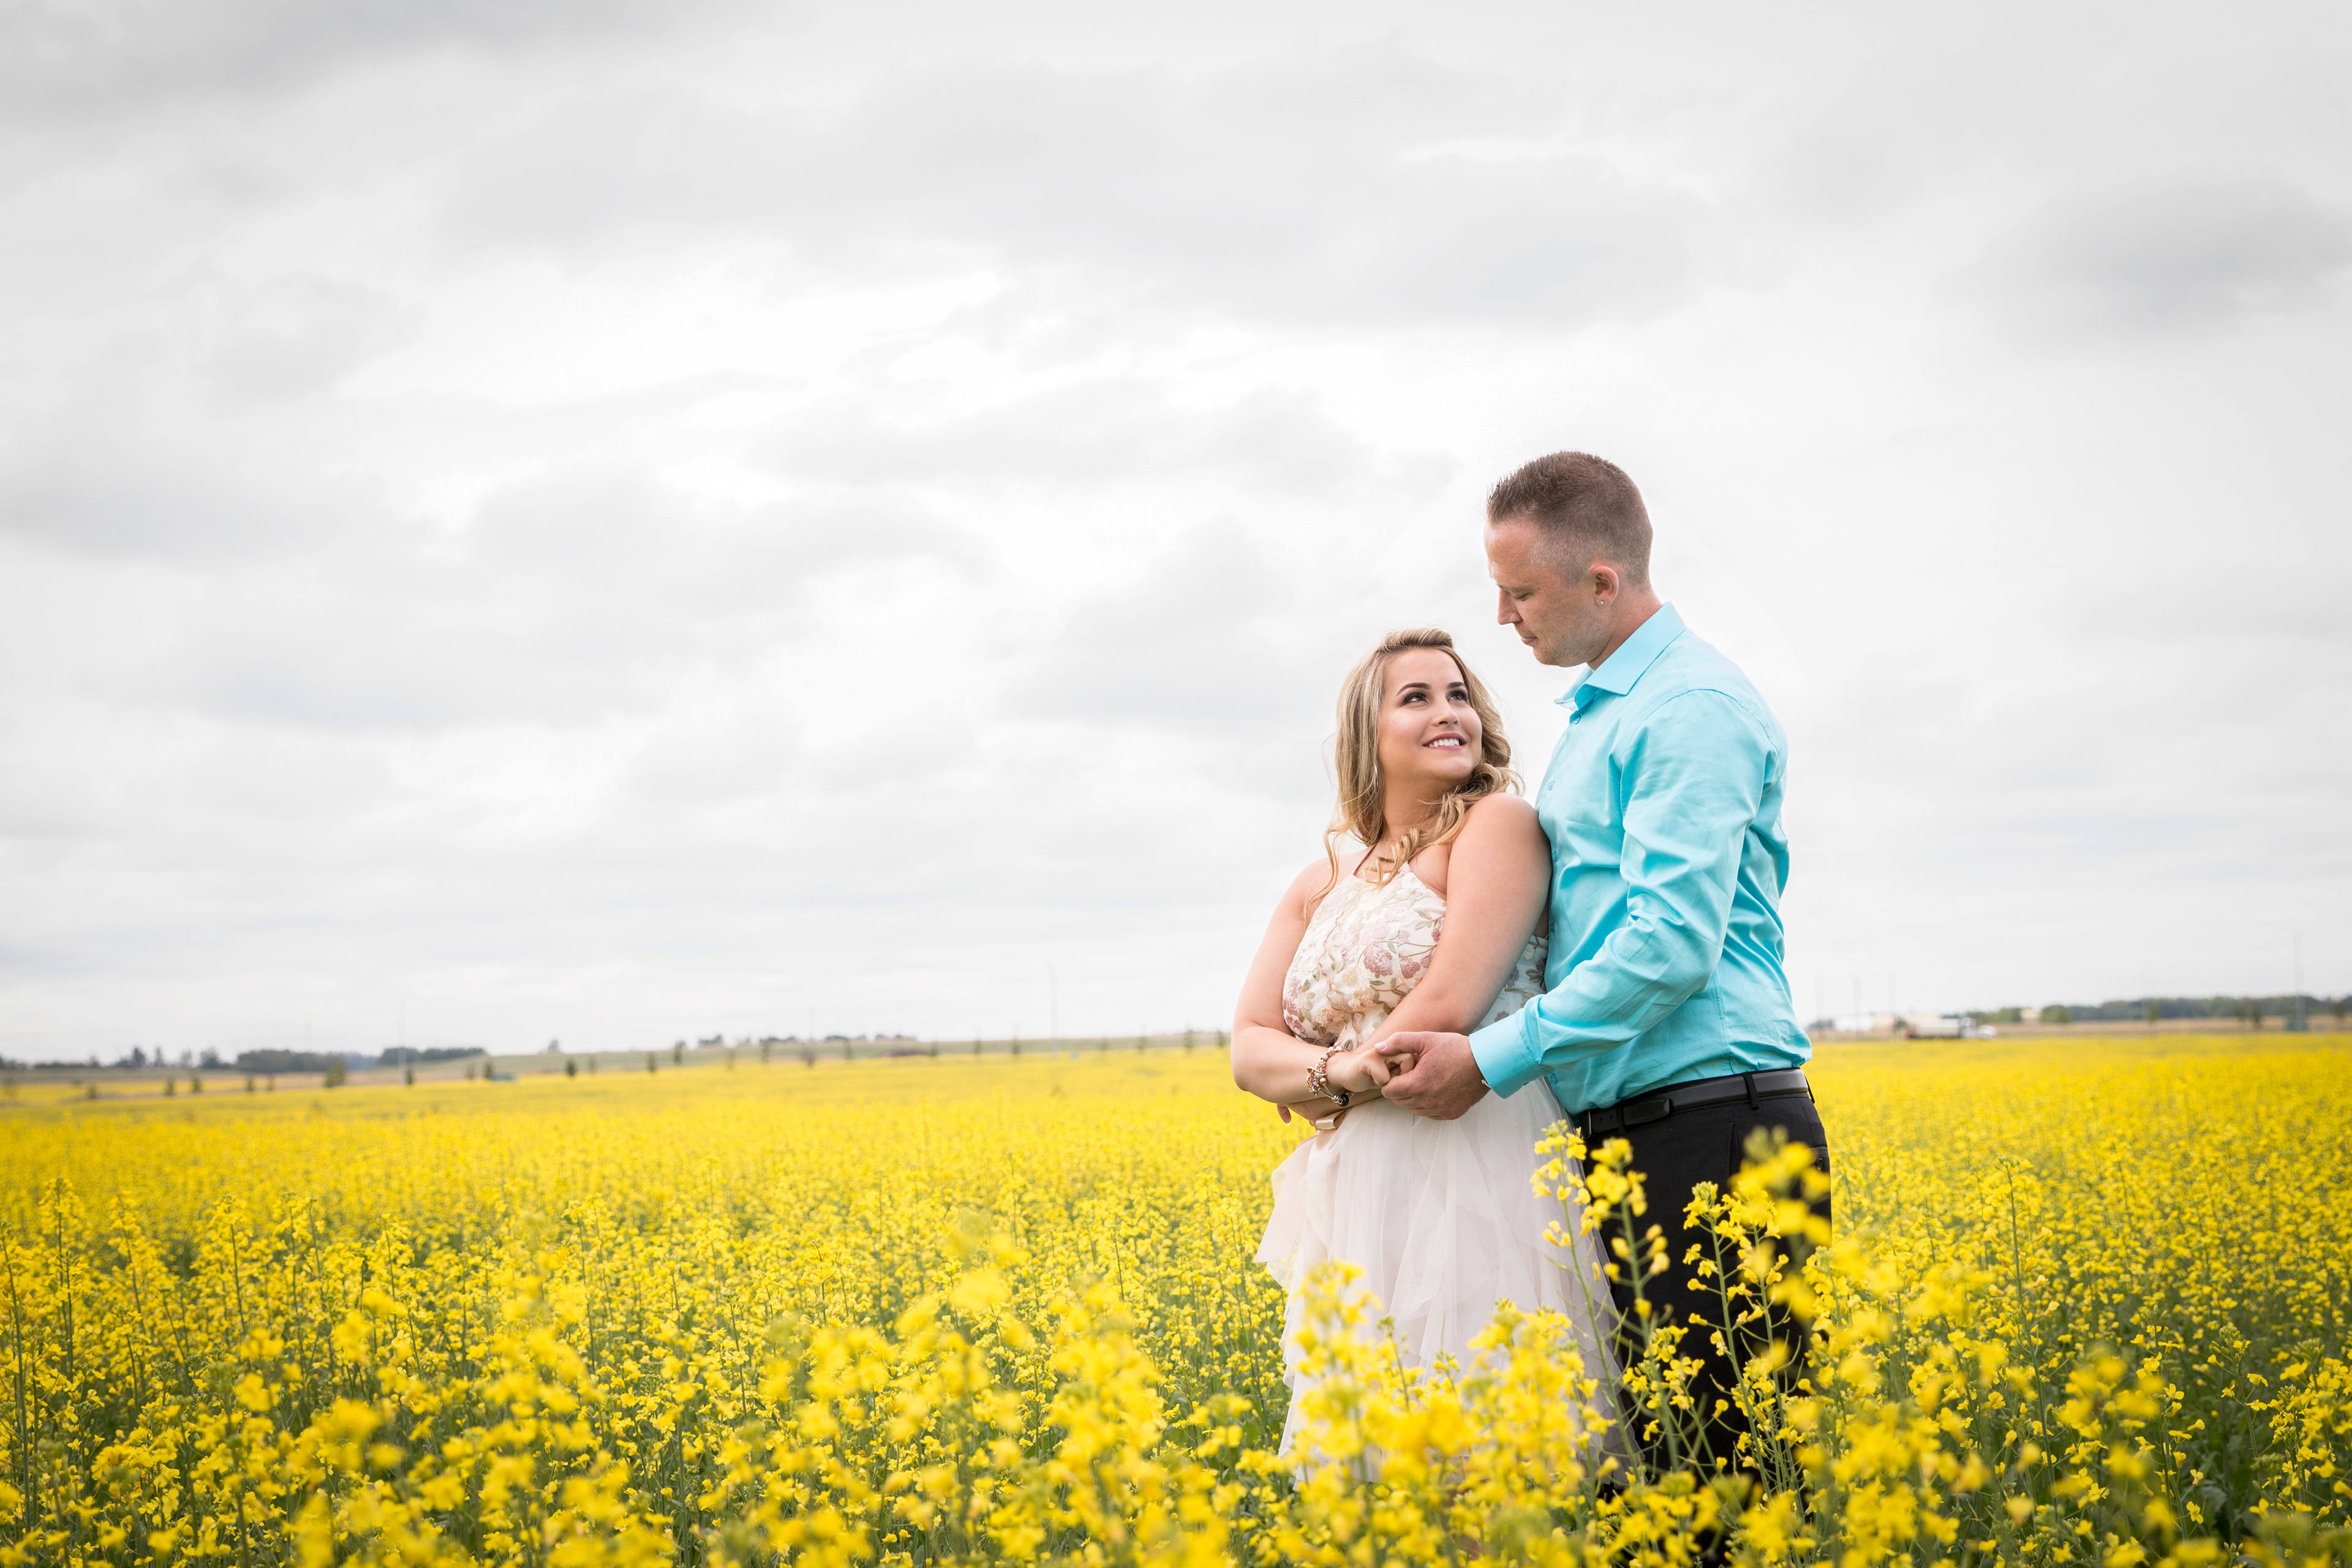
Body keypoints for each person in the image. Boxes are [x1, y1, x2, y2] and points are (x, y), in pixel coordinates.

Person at [1381, 451, 1828, 1474]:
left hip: (1713, 1130)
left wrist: (1489, 1059)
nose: (1504, 617)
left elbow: (1667, 949)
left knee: (1725, 1487)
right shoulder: (1606, 713)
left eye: (1520, 591)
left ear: (1601, 581)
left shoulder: (1688, 709)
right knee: (1650, 1486)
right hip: (1636, 1136)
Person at [1231, 627, 1617, 1453]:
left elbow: (1449, 1000)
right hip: (1356, 1177)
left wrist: (1321, 1086)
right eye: (1417, 698)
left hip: (1477, 1155)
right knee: (1380, 1455)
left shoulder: (1496, 827)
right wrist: (1335, 1075)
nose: (1452, 713)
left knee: (1489, 1446)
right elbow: (1248, 1047)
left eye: (1459, 695)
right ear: (1366, 736)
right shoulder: (1320, 880)